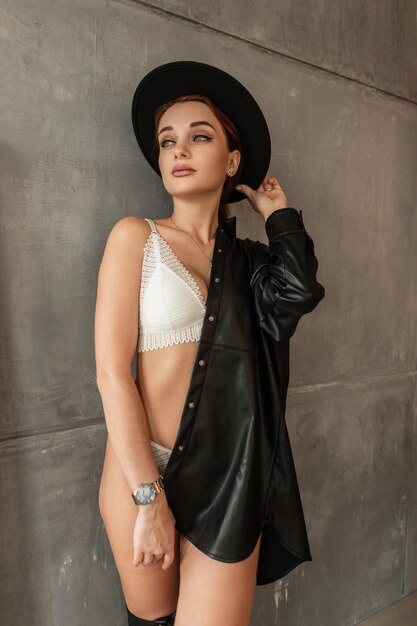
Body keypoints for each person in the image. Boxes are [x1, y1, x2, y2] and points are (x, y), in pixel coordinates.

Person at [94, 61, 325, 626]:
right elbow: (110, 371)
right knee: (152, 620)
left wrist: (280, 218)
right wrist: (149, 498)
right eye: (167, 140)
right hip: (143, 470)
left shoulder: (250, 266)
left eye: (200, 136)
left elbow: (295, 296)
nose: (179, 150)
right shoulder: (135, 238)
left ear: (232, 160)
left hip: (230, 476)